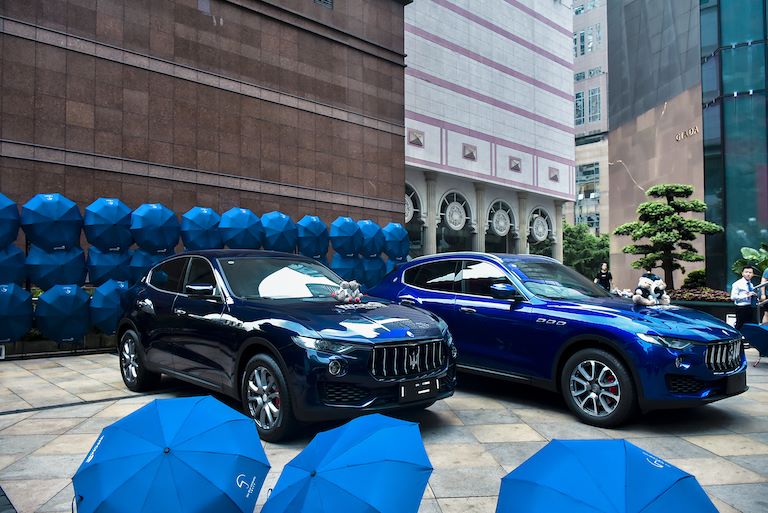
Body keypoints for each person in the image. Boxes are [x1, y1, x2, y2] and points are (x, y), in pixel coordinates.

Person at [731, 265, 757, 330]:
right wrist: (746, 295)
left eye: (750, 272)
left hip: (750, 307)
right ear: (742, 273)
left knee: (750, 325)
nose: (748, 274)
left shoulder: (751, 284)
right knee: (739, 325)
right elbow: (733, 297)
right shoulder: (737, 284)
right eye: (746, 272)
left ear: (752, 274)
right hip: (741, 307)